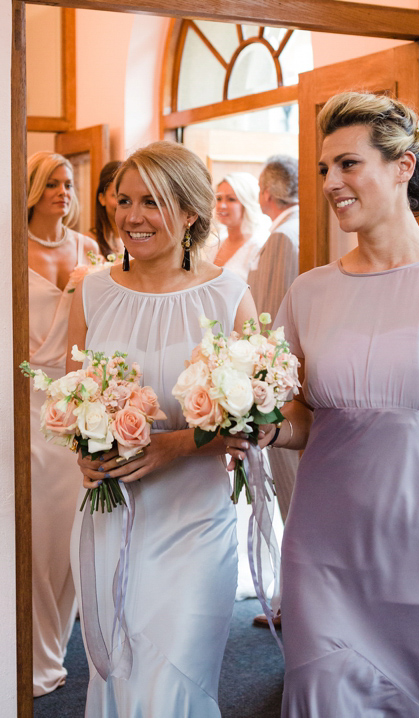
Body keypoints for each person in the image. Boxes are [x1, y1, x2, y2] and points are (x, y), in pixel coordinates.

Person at [226, 91, 419, 717]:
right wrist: (255, 424)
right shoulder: (310, 292)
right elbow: (304, 420)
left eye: (348, 164)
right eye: (323, 169)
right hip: (323, 551)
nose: (332, 182)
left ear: (403, 166)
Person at [67, 141, 257, 716]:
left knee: (175, 676)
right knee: (118, 674)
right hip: (111, 513)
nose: (131, 217)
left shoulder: (227, 295)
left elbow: (256, 417)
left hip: (194, 521)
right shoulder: (94, 291)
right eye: (123, 200)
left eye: (152, 202)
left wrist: (179, 445)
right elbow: (76, 393)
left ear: (191, 211)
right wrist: (83, 448)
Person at [26, 151, 98, 696]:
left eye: (68, 182)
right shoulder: (9, 246)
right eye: (50, 183)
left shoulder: (89, 250)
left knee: (71, 526)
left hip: (72, 397)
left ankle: (58, 637)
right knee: (37, 526)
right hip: (24, 401)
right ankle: (37, 648)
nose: (62, 191)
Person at [248, 153, 300, 627]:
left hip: (280, 389)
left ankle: (291, 601)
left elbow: (267, 315)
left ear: (267, 192)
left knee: (290, 494)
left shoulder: (284, 236)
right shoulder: (296, 227)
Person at [211, 171, 268, 281]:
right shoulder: (215, 244)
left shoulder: (259, 247)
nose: (222, 205)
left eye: (231, 199)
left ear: (247, 202)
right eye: (219, 199)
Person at [93, 160, 122, 258]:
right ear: (102, 199)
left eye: (126, 197)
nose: (121, 203)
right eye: (115, 195)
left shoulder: (139, 240)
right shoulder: (89, 241)